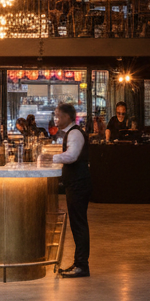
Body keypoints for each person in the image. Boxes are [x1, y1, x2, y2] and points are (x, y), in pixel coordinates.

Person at [51, 102, 91, 278]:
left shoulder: (74, 133)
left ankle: (82, 265)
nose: (56, 119)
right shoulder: (71, 133)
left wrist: (51, 157)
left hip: (78, 183)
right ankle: (79, 263)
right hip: (76, 183)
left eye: (58, 115)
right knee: (77, 224)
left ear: (67, 117)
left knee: (79, 225)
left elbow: (72, 156)